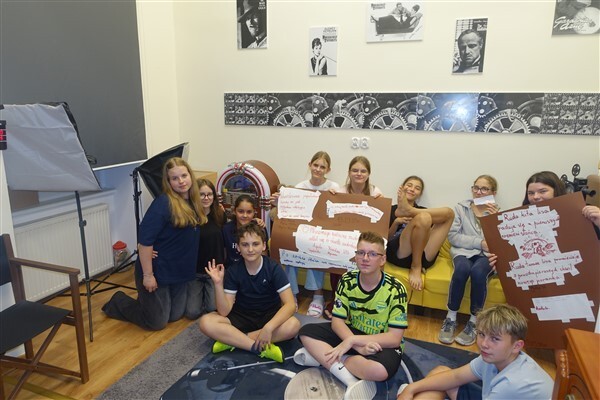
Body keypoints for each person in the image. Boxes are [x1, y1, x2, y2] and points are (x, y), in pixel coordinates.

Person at [295, 231, 408, 400]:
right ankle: (348, 376)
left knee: (379, 371)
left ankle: (328, 358)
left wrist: (351, 341)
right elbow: (337, 322)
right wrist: (357, 346)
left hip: (381, 342)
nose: (365, 258)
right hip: (354, 333)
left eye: (372, 254)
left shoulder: (396, 289)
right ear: (355, 256)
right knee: (306, 332)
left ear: (382, 259)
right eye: (361, 253)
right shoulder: (347, 280)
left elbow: (394, 339)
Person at [102, 157, 207, 330]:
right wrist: (148, 276)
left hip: (179, 271)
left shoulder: (194, 201)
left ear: (190, 175)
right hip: (158, 270)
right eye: (174, 178)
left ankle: (149, 303)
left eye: (184, 175)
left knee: (175, 316)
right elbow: (144, 242)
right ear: (168, 182)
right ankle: (118, 301)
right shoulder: (163, 204)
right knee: (157, 322)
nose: (181, 181)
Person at [397, 304, 554, 400]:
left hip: (502, 394)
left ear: (517, 346)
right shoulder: (496, 357)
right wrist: (412, 389)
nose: (484, 344)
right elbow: (455, 377)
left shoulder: (511, 383)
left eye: (495, 339)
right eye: (481, 334)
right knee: (441, 373)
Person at [199, 222, 300, 363]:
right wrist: (218, 284)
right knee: (205, 322)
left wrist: (268, 328)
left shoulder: (273, 268)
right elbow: (224, 311)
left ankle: (233, 340)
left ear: (263, 246)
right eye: (245, 245)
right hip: (242, 316)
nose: (250, 249)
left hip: (268, 316)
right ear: (238, 248)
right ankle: (256, 347)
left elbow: (290, 305)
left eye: (255, 244)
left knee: (293, 325)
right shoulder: (233, 271)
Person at [274, 151, 340, 317]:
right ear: (310, 165)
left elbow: (336, 214)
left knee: (314, 246)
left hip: (323, 234)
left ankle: (318, 295)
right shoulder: (300, 186)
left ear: (328, 170)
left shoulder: (334, 187)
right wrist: (280, 201)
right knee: (291, 248)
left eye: (322, 167)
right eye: (315, 165)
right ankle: (292, 295)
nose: (318, 169)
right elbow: (292, 213)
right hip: (302, 231)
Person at [439, 175, 499, 346]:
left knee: (478, 273)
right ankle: (450, 318)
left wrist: (494, 220)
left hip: (486, 256)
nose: (479, 192)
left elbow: (499, 242)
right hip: (462, 252)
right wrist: (479, 243)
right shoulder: (460, 208)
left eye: (484, 189)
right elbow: (453, 237)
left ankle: (474, 321)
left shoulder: (498, 212)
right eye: (476, 188)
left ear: (493, 193)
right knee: (462, 270)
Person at [325, 156, 383, 318]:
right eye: (355, 170)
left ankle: (359, 304)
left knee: (365, 259)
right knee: (337, 257)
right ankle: (337, 300)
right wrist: (330, 196)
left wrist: (380, 202)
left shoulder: (375, 192)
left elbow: (380, 220)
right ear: (349, 172)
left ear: (368, 173)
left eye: (363, 171)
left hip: (366, 241)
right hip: (344, 240)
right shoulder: (340, 191)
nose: (359, 174)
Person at [389, 176, 454, 291]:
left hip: (421, 254)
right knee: (424, 217)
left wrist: (413, 214)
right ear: (402, 187)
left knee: (449, 213)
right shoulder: (392, 209)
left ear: (420, 194)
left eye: (417, 188)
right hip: (400, 252)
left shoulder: (425, 210)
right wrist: (396, 222)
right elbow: (385, 238)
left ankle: (409, 210)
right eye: (409, 185)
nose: (412, 189)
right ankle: (415, 266)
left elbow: (429, 235)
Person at [187, 178, 227, 319]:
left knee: (212, 308)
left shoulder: (220, 214)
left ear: (214, 196)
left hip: (214, 271)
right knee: (192, 313)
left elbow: (236, 227)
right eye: (202, 194)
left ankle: (207, 295)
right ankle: (201, 295)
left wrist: (257, 221)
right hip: (195, 271)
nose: (206, 198)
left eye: (209, 194)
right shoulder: (189, 217)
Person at [223, 194, 267, 267]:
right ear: (234, 211)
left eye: (249, 212)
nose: (245, 215)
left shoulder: (260, 228)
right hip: (232, 270)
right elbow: (223, 256)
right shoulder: (226, 229)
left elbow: (264, 255)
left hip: (254, 269)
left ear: (254, 212)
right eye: (241, 211)